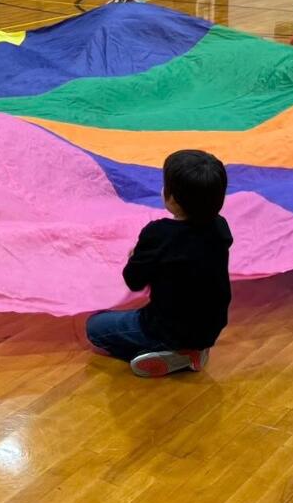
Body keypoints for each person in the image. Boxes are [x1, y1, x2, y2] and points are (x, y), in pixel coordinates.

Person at [85, 149, 233, 377]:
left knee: (94, 327)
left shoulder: (159, 235)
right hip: (210, 328)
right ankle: (192, 351)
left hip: (166, 329)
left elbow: (134, 280)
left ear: (172, 199)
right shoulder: (220, 227)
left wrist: (135, 256)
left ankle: (173, 354)